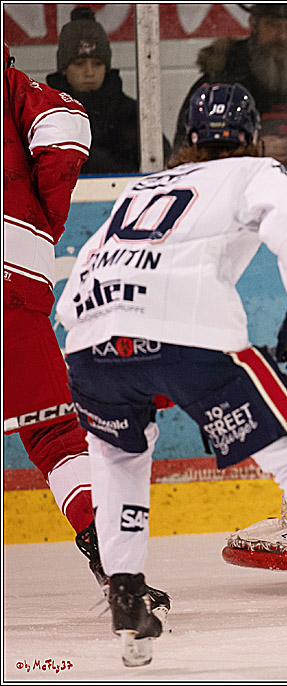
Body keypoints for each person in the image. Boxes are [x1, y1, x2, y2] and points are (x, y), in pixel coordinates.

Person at [55, 83, 287, 674]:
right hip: (184, 333)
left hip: (87, 344)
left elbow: (83, 267)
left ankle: (127, 595)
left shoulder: (139, 188)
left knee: (117, 457)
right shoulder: (255, 169)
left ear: (186, 140)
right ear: (255, 137)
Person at [3, 42, 170, 614]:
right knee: (54, 434)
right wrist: (42, 221)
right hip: (8, 285)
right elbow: (64, 128)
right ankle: (114, 562)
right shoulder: (15, 89)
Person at [173, 4, 287, 167]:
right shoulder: (219, 82)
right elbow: (187, 155)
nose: (282, 36)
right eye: (273, 25)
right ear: (254, 24)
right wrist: (252, 151)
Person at [45, 7, 170, 174]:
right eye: (79, 64)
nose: (89, 72)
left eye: (97, 64)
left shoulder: (132, 116)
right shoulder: (44, 115)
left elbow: (161, 164)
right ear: (64, 69)